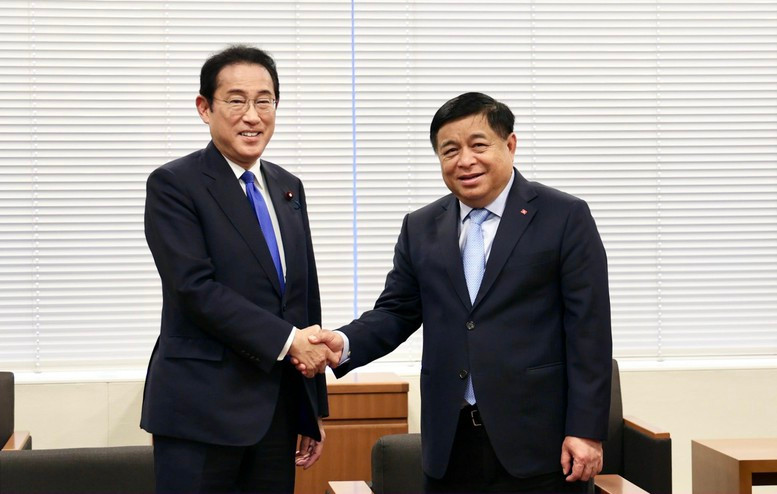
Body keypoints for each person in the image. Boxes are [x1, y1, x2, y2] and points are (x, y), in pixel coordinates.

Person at [307, 92, 612, 492]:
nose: (464, 160)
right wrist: (343, 343)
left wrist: (586, 431)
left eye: (478, 145)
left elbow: (589, 332)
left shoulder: (564, 216)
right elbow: (396, 312)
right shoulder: (421, 227)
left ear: (510, 145)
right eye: (449, 150)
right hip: (450, 443)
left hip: (540, 442)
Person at [140, 45, 335, 493]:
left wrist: (311, 408)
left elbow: (303, 298)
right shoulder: (175, 184)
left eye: (264, 101)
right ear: (205, 108)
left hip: (276, 415)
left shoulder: (289, 187)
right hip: (199, 413)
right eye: (236, 100)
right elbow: (195, 288)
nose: (253, 115)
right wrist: (289, 344)